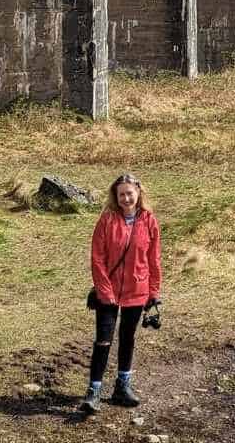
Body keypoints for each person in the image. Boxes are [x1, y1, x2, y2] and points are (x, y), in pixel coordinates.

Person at [80, 173, 162, 414]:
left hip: (138, 289)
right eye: (121, 194)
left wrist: (154, 291)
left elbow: (153, 259)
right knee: (103, 341)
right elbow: (97, 258)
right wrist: (104, 290)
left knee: (128, 338)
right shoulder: (107, 220)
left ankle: (122, 387)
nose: (126, 198)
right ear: (115, 197)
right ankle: (93, 390)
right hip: (109, 291)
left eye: (130, 193)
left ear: (138, 193)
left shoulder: (149, 220)